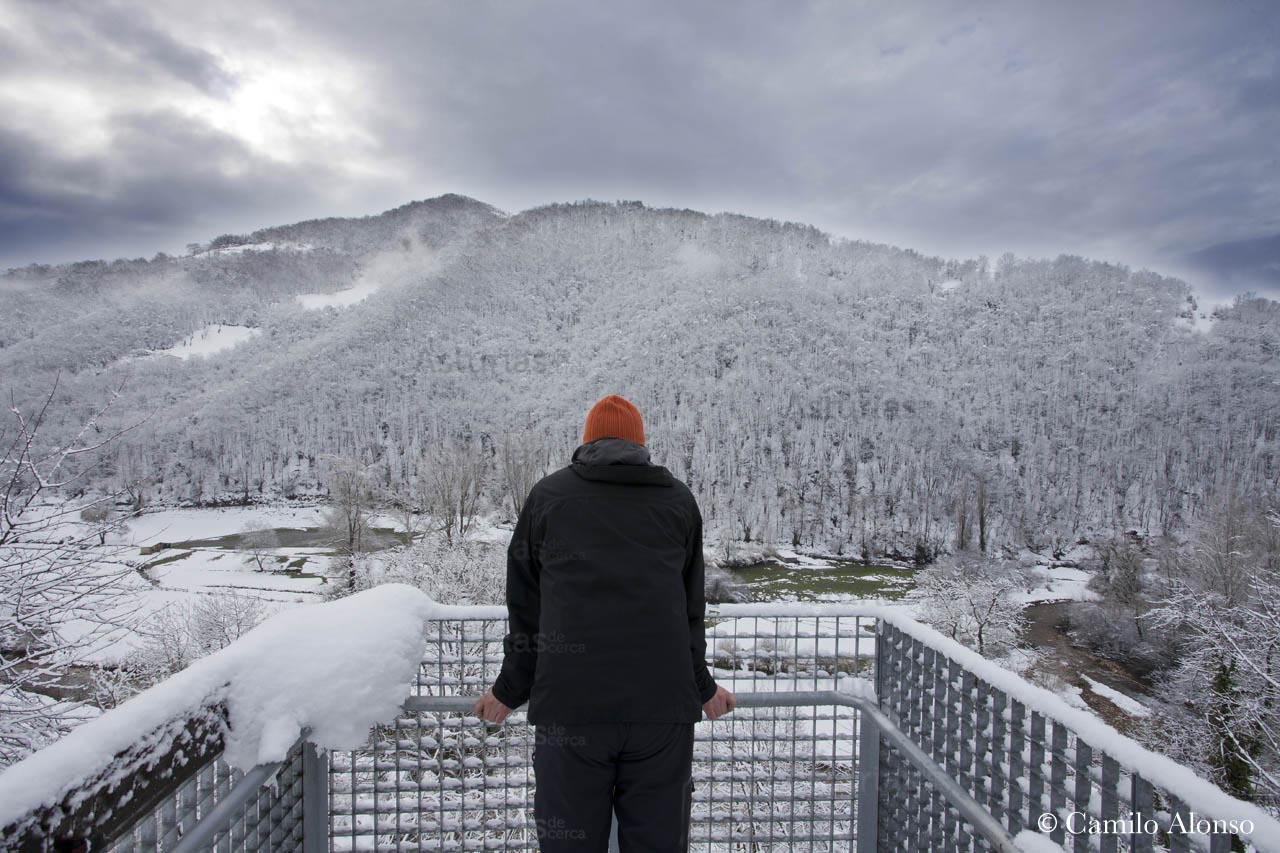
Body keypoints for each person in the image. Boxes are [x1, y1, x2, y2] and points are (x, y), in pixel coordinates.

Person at [473, 393, 736, 852]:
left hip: (571, 710)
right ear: (641, 444)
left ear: (586, 442)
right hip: (662, 713)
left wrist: (509, 690)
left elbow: (526, 610)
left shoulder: (549, 497)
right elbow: (690, 611)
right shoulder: (677, 501)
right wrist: (703, 686)